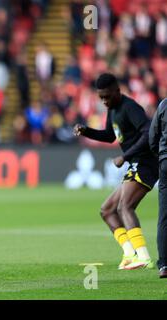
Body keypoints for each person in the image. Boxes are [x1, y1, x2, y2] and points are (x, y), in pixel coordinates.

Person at [74, 73, 158, 270]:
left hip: (145, 162)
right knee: (107, 210)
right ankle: (129, 253)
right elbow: (110, 136)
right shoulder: (112, 110)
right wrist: (87, 131)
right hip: (136, 163)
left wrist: (125, 156)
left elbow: (148, 133)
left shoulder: (130, 108)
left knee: (124, 207)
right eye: (101, 97)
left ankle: (143, 257)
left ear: (117, 91)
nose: (104, 101)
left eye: (107, 96)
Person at [149, 98, 167, 278]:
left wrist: (161, 155)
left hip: (165, 162)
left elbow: (152, 137)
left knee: (164, 215)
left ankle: (164, 265)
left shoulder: (163, 105)